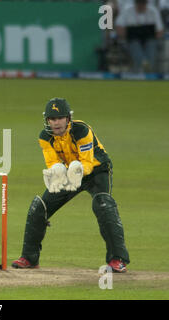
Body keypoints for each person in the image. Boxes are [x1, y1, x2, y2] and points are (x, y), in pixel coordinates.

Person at [12, 98, 130, 273]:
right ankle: (29, 258)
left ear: (68, 118)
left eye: (60, 118)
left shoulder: (81, 130)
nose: (56, 122)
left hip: (97, 170)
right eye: (52, 119)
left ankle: (117, 259)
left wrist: (77, 172)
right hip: (70, 171)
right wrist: (56, 172)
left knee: (103, 205)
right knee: (39, 207)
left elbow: (87, 163)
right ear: (47, 120)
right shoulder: (45, 137)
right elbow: (52, 162)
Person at [116, 0, 164, 72]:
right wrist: (127, 35)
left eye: (143, 3)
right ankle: (144, 65)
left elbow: (160, 31)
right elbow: (119, 27)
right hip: (131, 41)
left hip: (150, 40)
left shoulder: (153, 11)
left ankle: (144, 68)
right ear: (136, 3)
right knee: (135, 44)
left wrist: (152, 36)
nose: (141, 5)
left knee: (151, 43)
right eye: (139, 2)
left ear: (146, 3)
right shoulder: (127, 11)